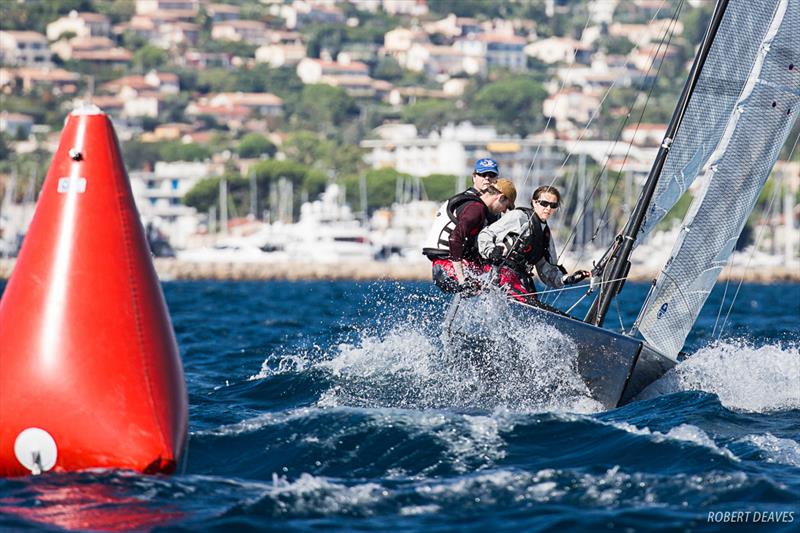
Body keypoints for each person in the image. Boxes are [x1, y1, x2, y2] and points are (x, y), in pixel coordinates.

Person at [477, 185, 590, 305]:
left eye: (553, 205)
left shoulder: (546, 235)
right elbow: (486, 234)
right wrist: (490, 251)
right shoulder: (519, 216)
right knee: (529, 306)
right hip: (500, 272)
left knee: (536, 307)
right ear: (534, 203)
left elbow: (547, 271)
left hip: (520, 278)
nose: (548, 208)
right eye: (544, 203)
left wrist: (567, 279)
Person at [423, 179, 516, 293]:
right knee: (491, 286)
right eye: (506, 206)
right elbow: (455, 238)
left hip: (449, 263)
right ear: (500, 198)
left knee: (495, 278)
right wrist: (462, 280)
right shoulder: (476, 209)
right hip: (445, 266)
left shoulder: (478, 207)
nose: (505, 210)